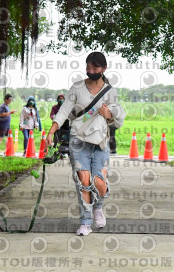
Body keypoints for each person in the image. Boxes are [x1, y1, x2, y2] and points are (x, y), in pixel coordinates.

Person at [46, 51, 126, 236]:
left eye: (95, 68)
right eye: (88, 67)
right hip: (78, 141)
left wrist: (109, 116)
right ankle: (85, 222)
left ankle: (98, 207)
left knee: (100, 183)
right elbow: (64, 111)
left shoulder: (110, 91)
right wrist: (52, 131)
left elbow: (116, 118)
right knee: (83, 181)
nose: (90, 71)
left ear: (103, 69)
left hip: (100, 142)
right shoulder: (77, 88)